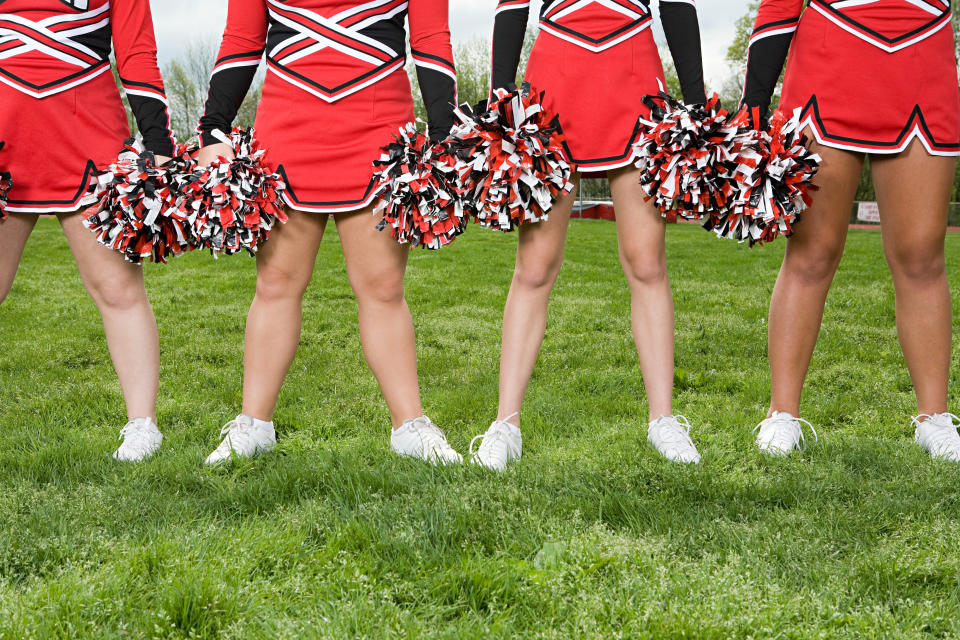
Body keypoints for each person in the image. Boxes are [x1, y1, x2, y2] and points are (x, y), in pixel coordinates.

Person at [197, 0, 462, 465]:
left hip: (378, 128)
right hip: (286, 128)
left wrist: (444, 130)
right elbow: (243, 37)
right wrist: (213, 124)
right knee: (277, 282)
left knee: (382, 286)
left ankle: (410, 425)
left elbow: (430, 37)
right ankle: (253, 425)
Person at [469, 0, 709, 470]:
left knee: (646, 261)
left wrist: (696, 101)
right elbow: (512, 6)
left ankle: (663, 419)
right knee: (535, 266)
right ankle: (506, 424)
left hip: (634, 78)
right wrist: (501, 97)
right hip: (554, 82)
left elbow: (677, 5)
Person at [743, 0, 960, 458]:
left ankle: (935, 420)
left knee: (921, 254)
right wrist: (753, 104)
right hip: (829, 60)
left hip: (924, 58)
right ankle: (782, 414)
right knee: (812, 252)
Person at [0, 0, 175, 461]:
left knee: (118, 289)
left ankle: (143, 425)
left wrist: (157, 140)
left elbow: (136, 52)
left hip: (89, 136)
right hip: (4, 133)